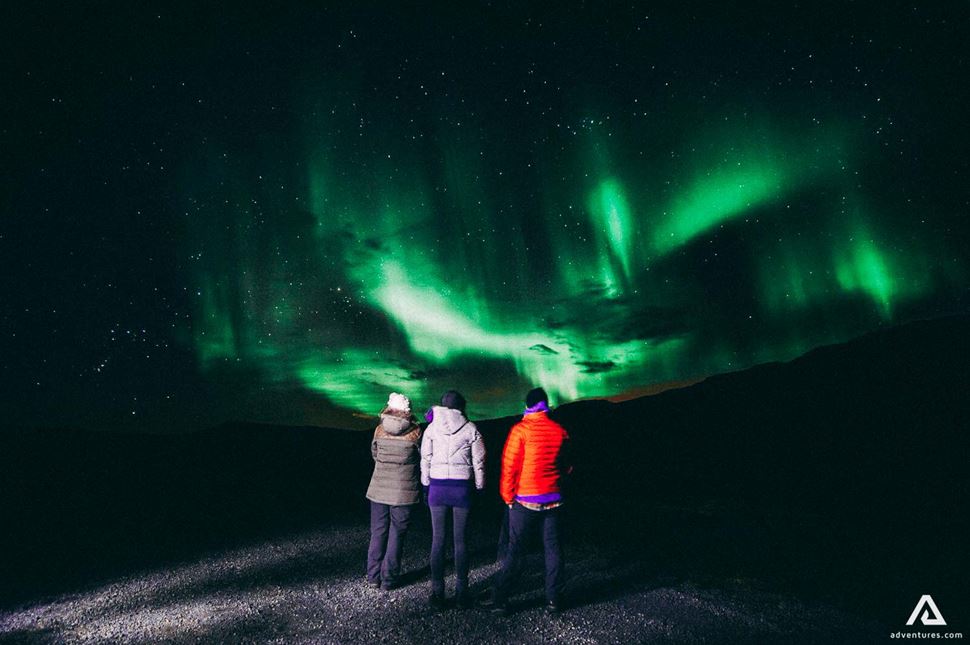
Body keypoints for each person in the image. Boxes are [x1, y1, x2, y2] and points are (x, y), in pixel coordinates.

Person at [486, 387, 570, 616]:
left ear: (527, 406)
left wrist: (507, 497)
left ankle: (500, 600)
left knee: (516, 551)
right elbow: (567, 466)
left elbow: (509, 467)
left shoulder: (520, 430)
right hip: (553, 500)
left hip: (525, 500)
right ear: (545, 405)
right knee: (553, 549)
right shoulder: (559, 430)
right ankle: (554, 599)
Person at [420, 390, 486, 609]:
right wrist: (479, 486)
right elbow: (479, 461)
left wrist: (426, 484)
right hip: (461, 489)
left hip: (437, 488)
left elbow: (425, 458)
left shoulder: (431, 428)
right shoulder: (470, 429)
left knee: (438, 540)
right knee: (461, 542)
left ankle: (437, 594)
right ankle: (461, 593)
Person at [365, 392, 423, 591]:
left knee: (378, 532)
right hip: (404, 492)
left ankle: (373, 576)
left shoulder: (379, 430)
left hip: (378, 489)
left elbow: (375, 454)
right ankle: (388, 579)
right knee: (397, 534)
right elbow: (420, 457)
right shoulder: (415, 432)